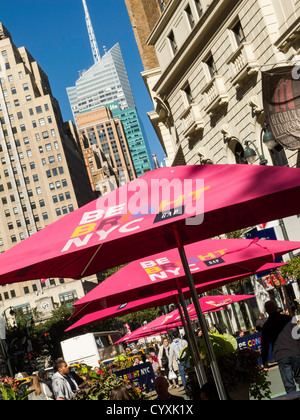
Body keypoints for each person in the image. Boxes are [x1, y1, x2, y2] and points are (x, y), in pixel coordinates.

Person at [261, 300, 300, 394]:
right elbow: (298, 335)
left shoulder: (266, 325)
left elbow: (265, 345)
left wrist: (265, 363)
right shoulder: (288, 318)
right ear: (276, 307)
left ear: (266, 311)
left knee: (289, 384)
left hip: (281, 354)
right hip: (295, 351)